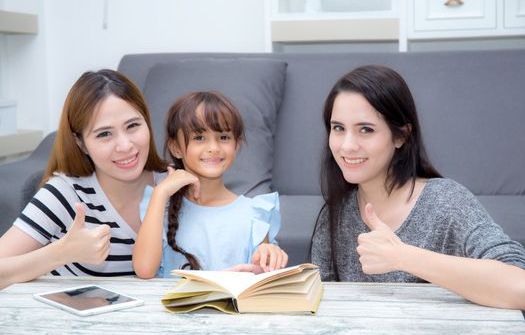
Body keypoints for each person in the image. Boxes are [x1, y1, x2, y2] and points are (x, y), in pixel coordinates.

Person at [311, 65, 525, 309]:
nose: (347, 146)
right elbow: (320, 303)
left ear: (401, 136)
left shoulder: (446, 202)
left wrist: (402, 256)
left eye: (366, 130)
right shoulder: (335, 215)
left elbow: (519, 287)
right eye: (338, 128)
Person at [0, 69, 166, 281]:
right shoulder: (65, 193)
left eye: (133, 125)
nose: (125, 145)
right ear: (81, 143)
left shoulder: (173, 185)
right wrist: (60, 254)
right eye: (104, 134)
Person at [133, 91, 288, 278]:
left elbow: (262, 278)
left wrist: (269, 261)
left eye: (223, 137)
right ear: (176, 147)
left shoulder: (254, 212)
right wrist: (161, 193)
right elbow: (144, 270)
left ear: (236, 145)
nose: (214, 147)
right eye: (199, 138)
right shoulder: (159, 205)